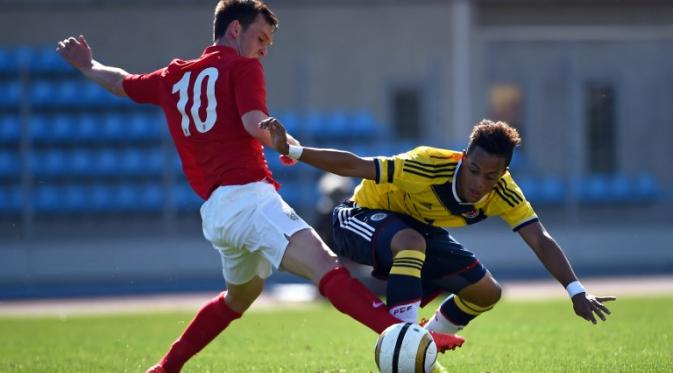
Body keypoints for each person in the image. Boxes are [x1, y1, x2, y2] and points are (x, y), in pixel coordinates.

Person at [56, 1, 464, 372]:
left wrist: (87, 66)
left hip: (217, 215)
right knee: (327, 268)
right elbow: (255, 123)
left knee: (238, 299)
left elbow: (122, 82)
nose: (264, 49)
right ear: (234, 30)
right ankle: (415, 340)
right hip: (250, 199)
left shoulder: (174, 75)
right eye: (261, 37)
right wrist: (280, 141)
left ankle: (165, 368)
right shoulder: (242, 66)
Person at [261, 117, 616, 336]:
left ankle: (427, 339)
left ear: (503, 174)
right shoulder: (426, 165)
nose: (479, 182)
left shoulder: (504, 193)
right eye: (474, 169)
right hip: (357, 217)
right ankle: (403, 337)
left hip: (412, 232)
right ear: (464, 157)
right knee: (411, 240)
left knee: (487, 292)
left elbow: (540, 239)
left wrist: (575, 290)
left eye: (491, 176)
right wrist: (294, 150)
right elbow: (357, 164)